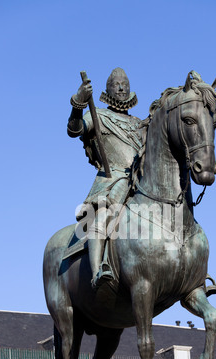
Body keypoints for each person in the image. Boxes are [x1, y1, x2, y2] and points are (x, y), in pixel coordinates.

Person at [67, 68, 143, 290]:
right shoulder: (98, 115)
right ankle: (97, 271)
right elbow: (75, 129)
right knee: (103, 217)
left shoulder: (140, 124)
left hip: (140, 181)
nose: (121, 87)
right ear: (108, 89)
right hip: (112, 182)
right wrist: (77, 105)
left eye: (124, 84)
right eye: (116, 84)